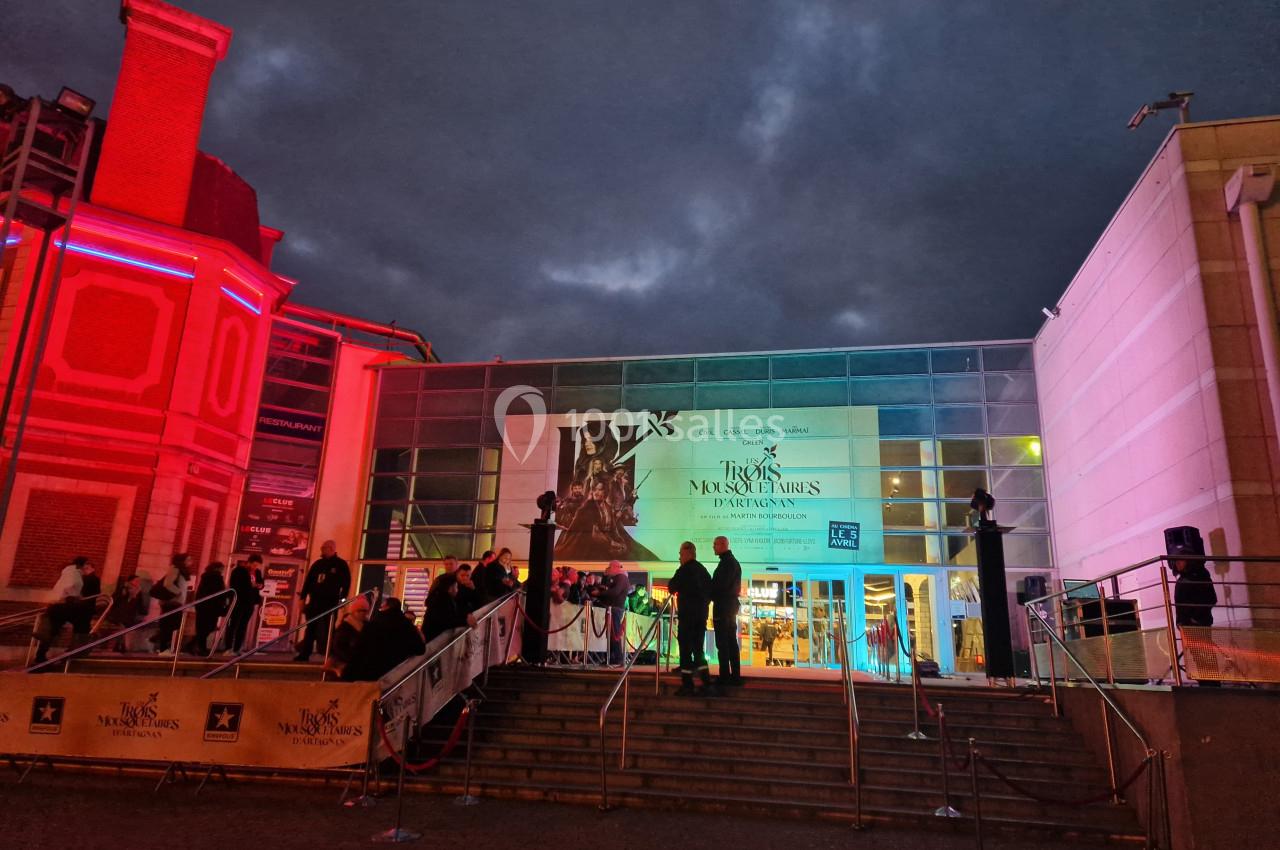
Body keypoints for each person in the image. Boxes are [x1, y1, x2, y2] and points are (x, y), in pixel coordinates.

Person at [667, 541, 715, 696]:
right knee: (698, 650)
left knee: (686, 651)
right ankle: (706, 682)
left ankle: (687, 684)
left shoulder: (684, 570)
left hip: (687, 616)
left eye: (680, 554)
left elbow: (672, 586)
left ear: (687, 554)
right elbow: (710, 592)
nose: (679, 557)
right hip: (700, 617)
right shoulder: (703, 570)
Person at [341, 597, 426, 682]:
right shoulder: (408, 626)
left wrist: (346, 675)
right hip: (398, 675)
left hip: (373, 674)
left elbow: (359, 651)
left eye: (381, 607)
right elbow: (420, 649)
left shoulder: (374, 625)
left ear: (386, 607)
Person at [295, 540, 351, 661]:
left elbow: (346, 583)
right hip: (315, 601)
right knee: (311, 628)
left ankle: (329, 654)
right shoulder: (317, 564)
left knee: (328, 629)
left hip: (330, 603)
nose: (322, 550)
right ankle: (305, 653)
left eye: (324, 548)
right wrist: (302, 598)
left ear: (331, 548)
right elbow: (308, 581)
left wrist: (342, 599)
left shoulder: (341, 565)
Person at [1170, 546, 1220, 685]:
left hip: (1198, 623)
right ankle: (1206, 684)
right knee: (1197, 657)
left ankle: (1212, 686)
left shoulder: (1200, 576)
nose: (1177, 563)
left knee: (1206, 656)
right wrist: (1180, 622)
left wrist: (1195, 618)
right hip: (1187, 625)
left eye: (1181, 560)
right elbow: (1180, 604)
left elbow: (1210, 598)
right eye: (1176, 561)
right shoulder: (1183, 579)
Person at [33, 556, 92, 664]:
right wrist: (75, 597)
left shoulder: (69, 572)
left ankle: (40, 655)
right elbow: (70, 587)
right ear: (81, 565)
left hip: (56, 605)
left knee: (52, 631)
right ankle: (78, 646)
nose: (87, 567)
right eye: (86, 564)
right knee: (82, 622)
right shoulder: (74, 574)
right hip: (64, 604)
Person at [711, 536, 743, 687]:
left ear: (723, 545)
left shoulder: (727, 564)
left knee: (724, 642)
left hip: (724, 606)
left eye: (715, 544)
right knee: (729, 641)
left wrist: (709, 593)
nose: (713, 547)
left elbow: (719, 585)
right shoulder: (731, 563)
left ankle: (726, 676)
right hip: (728, 606)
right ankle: (734, 675)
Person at [590, 560, 631, 666]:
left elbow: (615, 592)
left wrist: (600, 594)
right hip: (613, 608)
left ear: (615, 567)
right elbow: (609, 588)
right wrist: (604, 578)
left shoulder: (621, 578)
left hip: (615, 609)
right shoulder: (618, 578)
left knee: (614, 634)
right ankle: (613, 657)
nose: (609, 569)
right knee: (611, 634)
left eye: (610, 567)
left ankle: (617, 657)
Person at [149, 553, 191, 654]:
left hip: (177, 603)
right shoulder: (175, 569)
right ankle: (163, 648)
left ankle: (166, 646)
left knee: (174, 626)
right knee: (169, 626)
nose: (190, 562)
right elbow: (168, 583)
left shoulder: (182, 571)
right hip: (171, 602)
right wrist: (178, 592)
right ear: (182, 560)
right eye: (188, 559)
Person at [185, 562, 229, 656]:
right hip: (211, 607)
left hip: (203, 606)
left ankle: (197, 646)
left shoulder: (206, 577)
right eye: (222, 568)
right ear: (218, 568)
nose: (223, 570)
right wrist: (225, 600)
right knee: (208, 627)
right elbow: (218, 592)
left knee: (203, 628)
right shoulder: (216, 577)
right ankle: (198, 647)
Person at [421, 572, 478, 644]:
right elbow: (447, 620)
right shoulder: (442, 600)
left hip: (431, 638)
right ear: (450, 588)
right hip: (434, 640)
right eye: (456, 587)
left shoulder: (440, 598)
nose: (457, 590)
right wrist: (465, 620)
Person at [225, 554, 265, 654]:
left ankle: (237, 648)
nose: (255, 567)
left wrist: (260, 585)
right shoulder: (239, 571)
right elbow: (236, 584)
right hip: (239, 601)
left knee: (243, 625)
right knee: (233, 624)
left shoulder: (257, 572)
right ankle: (228, 647)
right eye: (254, 565)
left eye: (257, 565)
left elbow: (260, 583)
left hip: (250, 602)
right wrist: (250, 585)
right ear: (249, 563)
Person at [325, 595, 371, 678]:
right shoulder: (345, 626)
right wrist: (352, 658)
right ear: (354, 611)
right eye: (360, 610)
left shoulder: (367, 625)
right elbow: (339, 646)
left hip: (358, 660)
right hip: (346, 660)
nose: (363, 613)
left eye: (365, 611)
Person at [104, 575, 145, 653]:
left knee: (123, 627)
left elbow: (140, 606)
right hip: (120, 614)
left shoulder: (138, 592)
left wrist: (135, 596)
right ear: (130, 581)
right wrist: (123, 593)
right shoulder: (123, 589)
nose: (137, 583)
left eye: (138, 581)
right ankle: (121, 646)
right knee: (122, 626)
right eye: (136, 581)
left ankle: (118, 645)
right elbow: (113, 600)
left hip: (129, 615)